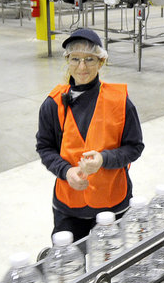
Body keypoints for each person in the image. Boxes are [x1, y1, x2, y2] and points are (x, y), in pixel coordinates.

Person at [36, 28, 144, 240]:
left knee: (111, 265)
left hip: (112, 203)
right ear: (67, 60)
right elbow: (45, 148)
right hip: (68, 206)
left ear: (101, 62)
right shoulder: (53, 103)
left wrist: (104, 159)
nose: (82, 66)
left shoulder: (120, 102)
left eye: (90, 59)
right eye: (75, 59)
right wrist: (66, 171)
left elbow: (134, 147)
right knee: (70, 266)